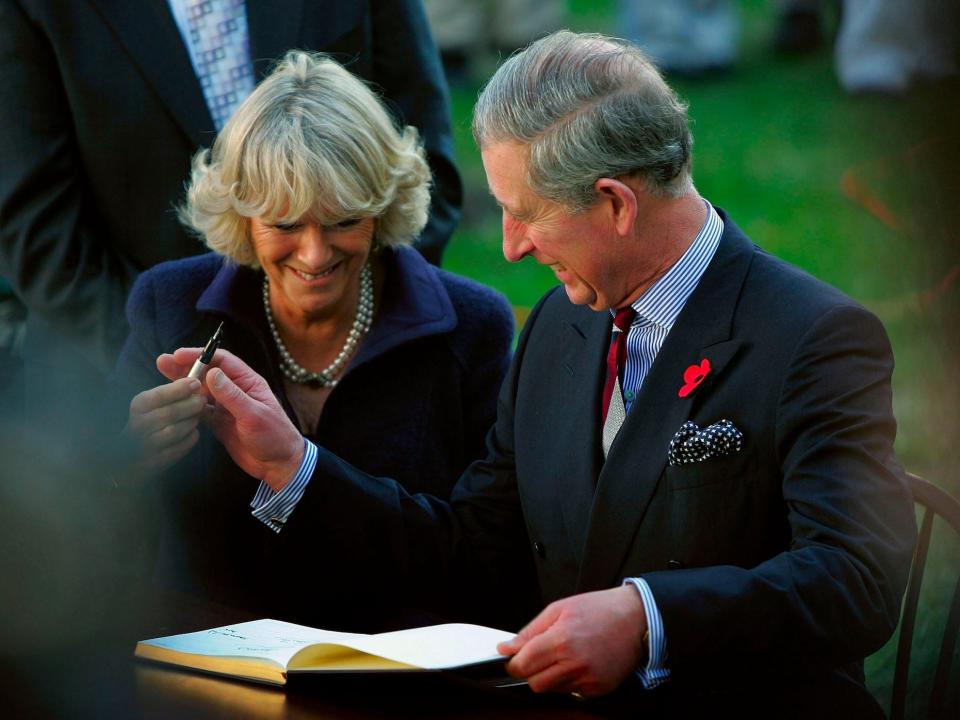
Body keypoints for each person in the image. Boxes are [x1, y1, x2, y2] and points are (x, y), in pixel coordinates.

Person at [159, 31, 916, 714]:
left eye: (525, 214)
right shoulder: (565, 321)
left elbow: (859, 578)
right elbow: (473, 551)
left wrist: (648, 617)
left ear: (615, 203)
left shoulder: (813, 337)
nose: (512, 246)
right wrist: (292, 466)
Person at [112, 50, 512, 630]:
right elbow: (93, 525)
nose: (315, 254)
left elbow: (485, 553)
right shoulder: (169, 307)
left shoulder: (472, 326)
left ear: (383, 207)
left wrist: (298, 469)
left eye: (344, 221)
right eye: (285, 224)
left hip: (399, 675)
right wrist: (125, 461)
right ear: (242, 216)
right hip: (203, 668)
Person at [0, 0, 461, 434]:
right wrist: (172, 356)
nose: (312, 249)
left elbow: (421, 164)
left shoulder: (476, 336)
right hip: (123, 384)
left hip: (367, 380)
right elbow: (35, 228)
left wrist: (353, 341)